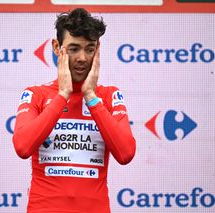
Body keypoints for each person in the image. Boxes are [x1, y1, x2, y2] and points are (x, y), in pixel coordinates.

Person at [13, 8, 136, 213]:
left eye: (90, 49)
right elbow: (22, 147)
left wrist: (91, 97)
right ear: (56, 47)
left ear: (98, 49)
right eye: (73, 49)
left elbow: (125, 154)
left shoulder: (108, 96)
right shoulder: (37, 94)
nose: (82, 58)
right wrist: (62, 95)